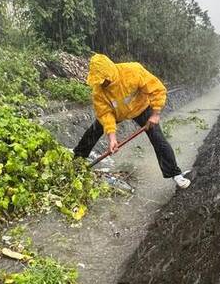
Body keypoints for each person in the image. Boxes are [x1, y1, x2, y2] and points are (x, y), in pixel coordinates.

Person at [74, 53, 191, 189]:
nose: (102, 84)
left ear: (110, 74)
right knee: (92, 132)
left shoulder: (133, 71)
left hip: (141, 108)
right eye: (99, 81)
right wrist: (112, 138)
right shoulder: (98, 91)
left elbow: (157, 90)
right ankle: (77, 162)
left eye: (104, 80)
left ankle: (176, 174)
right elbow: (105, 114)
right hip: (117, 113)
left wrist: (155, 114)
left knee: (158, 139)